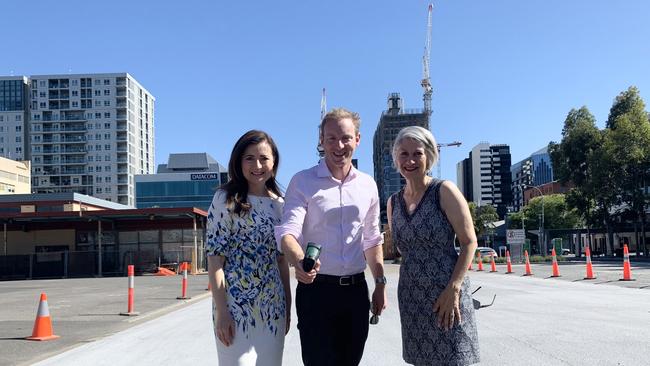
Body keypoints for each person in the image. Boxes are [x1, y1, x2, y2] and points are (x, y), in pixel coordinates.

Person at [275, 108, 387, 366]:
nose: (339, 145)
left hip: (355, 293)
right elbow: (288, 231)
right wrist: (299, 260)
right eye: (331, 138)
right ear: (321, 141)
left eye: (346, 138)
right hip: (316, 291)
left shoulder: (368, 185)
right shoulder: (302, 182)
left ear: (357, 139)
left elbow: (371, 239)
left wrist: (380, 284)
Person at [387, 126, 480, 366]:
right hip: (412, 298)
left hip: (446, 294)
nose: (410, 160)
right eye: (403, 154)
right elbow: (399, 249)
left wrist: (454, 288)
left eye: (417, 153)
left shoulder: (444, 190)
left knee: (454, 358)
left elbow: (469, 242)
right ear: (396, 158)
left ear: (429, 155)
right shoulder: (393, 202)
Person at [206, 130, 291, 366]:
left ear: (274, 162)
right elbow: (215, 260)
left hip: (272, 308)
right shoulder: (225, 199)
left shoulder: (280, 205)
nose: (257, 165)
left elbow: (281, 261)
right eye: (249, 158)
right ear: (238, 161)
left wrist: (288, 307)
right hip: (234, 310)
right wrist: (222, 312)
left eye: (264, 158)